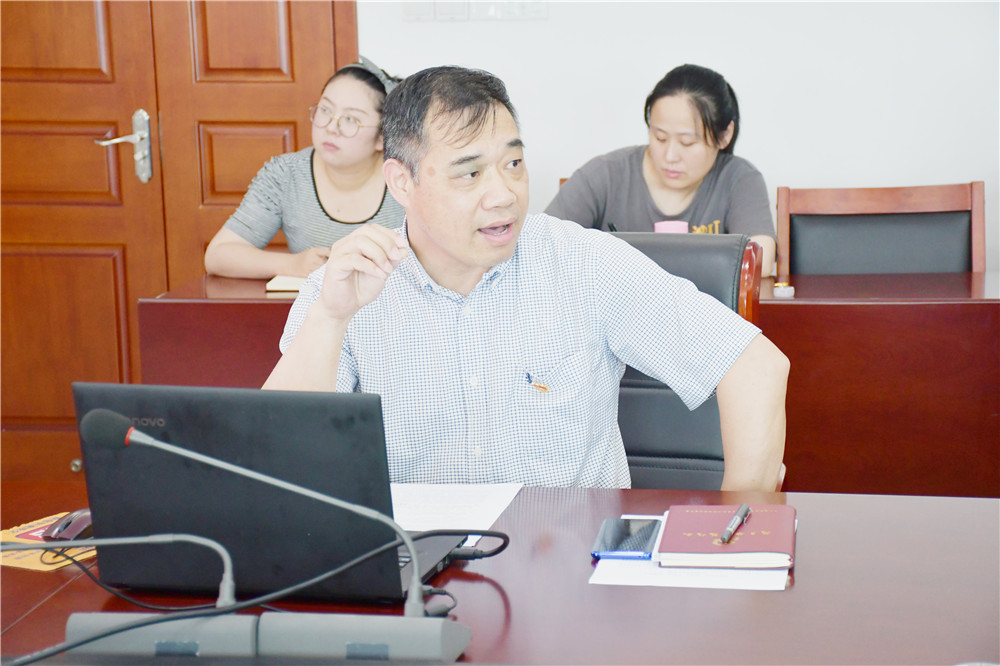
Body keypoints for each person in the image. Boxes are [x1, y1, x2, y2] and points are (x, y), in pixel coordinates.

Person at [263, 66, 789, 491]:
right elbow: (279, 460)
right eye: (471, 173)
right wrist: (329, 318)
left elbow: (755, 365)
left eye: (513, 164)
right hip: (415, 567)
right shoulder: (347, 287)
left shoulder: (582, 262)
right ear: (402, 181)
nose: (504, 194)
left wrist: (741, 523)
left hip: (571, 567)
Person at [545, 64, 777, 276]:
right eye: (660, 138)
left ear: (725, 135)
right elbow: (542, 245)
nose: (670, 156)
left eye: (687, 142)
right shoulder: (605, 174)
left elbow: (760, 261)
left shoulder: (739, 179)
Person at [204, 57, 405, 279]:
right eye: (325, 110)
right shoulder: (286, 174)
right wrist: (292, 264)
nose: (331, 127)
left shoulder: (405, 177)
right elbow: (218, 255)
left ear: (382, 137)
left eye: (350, 119)